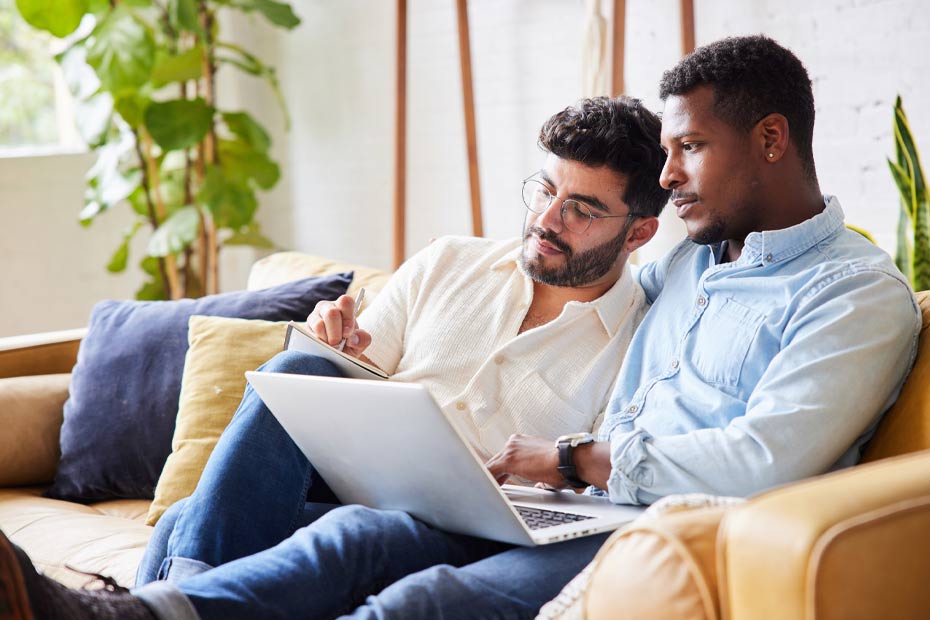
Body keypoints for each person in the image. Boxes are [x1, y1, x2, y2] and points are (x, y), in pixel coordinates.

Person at [0, 34, 922, 620]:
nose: (676, 175)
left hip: (640, 517)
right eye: (671, 151)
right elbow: (340, 379)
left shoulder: (852, 295)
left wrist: (570, 459)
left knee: (423, 593)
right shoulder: (690, 264)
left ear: (769, 140)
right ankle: (143, 608)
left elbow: (765, 461)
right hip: (553, 505)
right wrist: (338, 349)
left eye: (690, 150)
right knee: (349, 527)